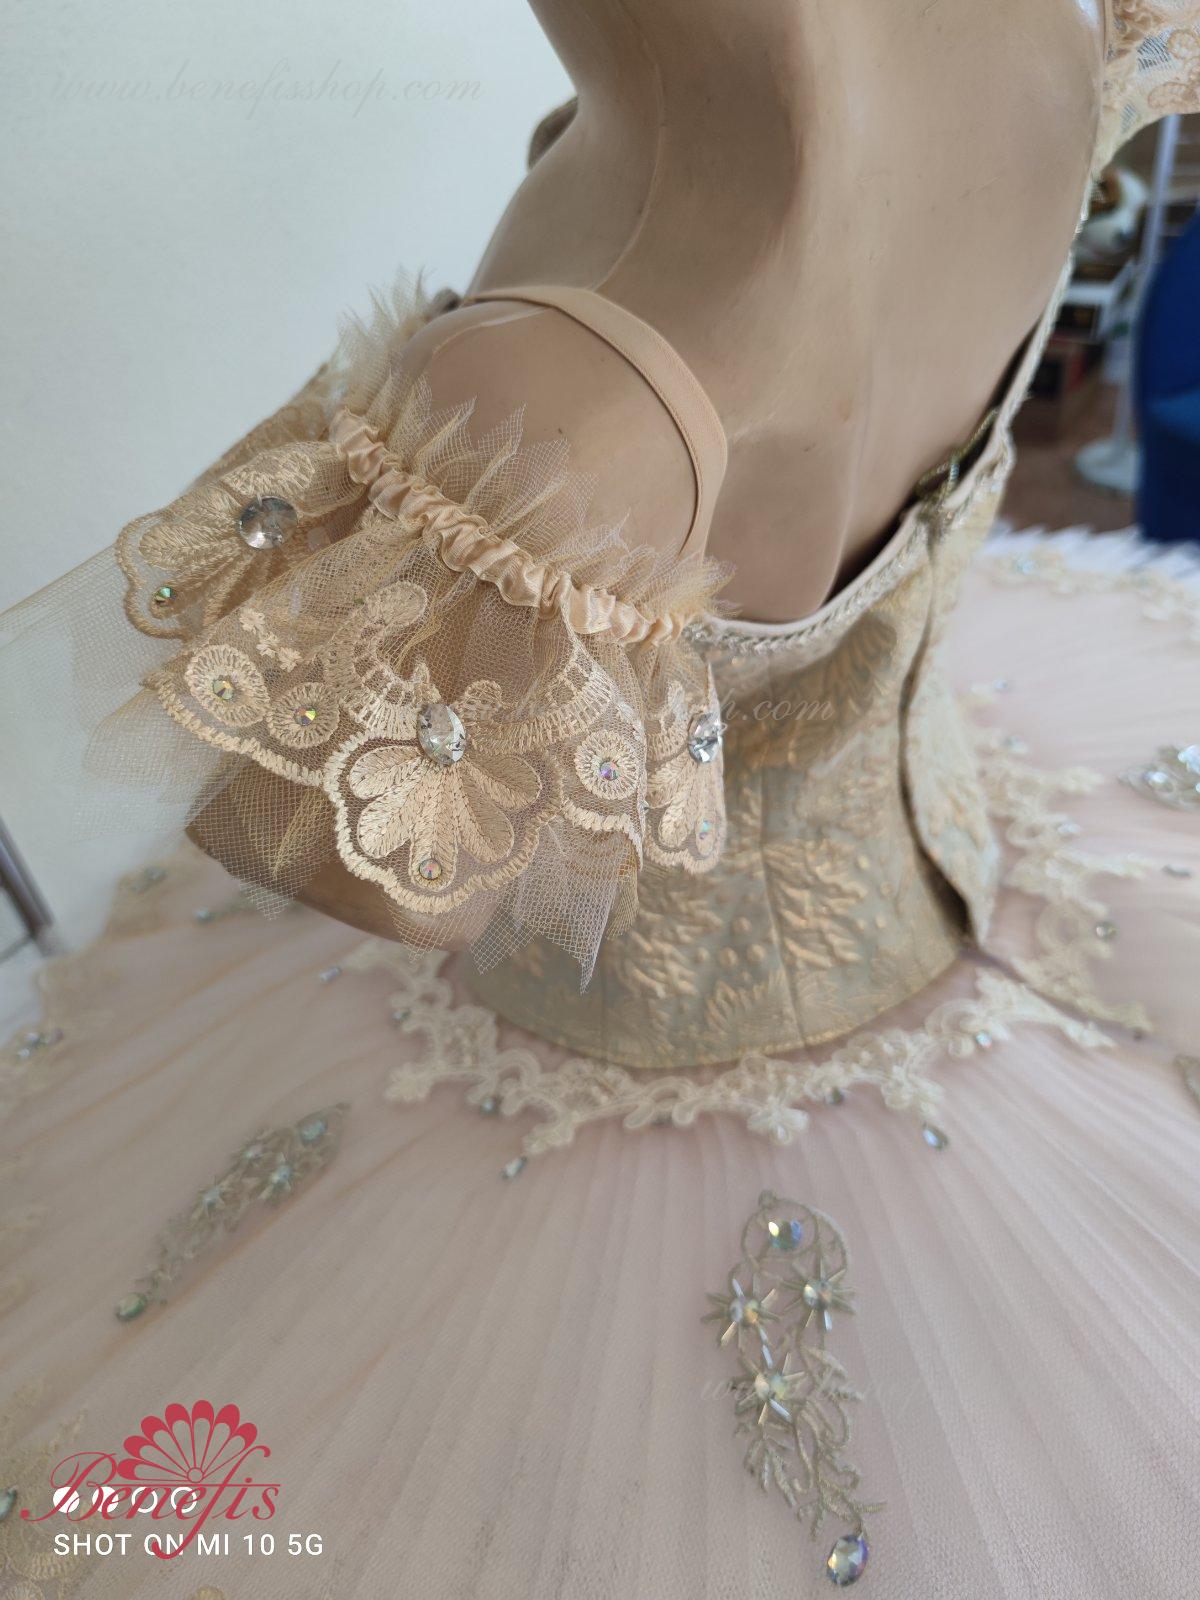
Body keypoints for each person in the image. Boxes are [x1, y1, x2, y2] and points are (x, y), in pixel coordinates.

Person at [2, 3, 1198, 1594]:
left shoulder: (569, 386)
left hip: (634, 1060)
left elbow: (389, 867)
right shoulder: (1045, 30)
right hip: (929, 860)